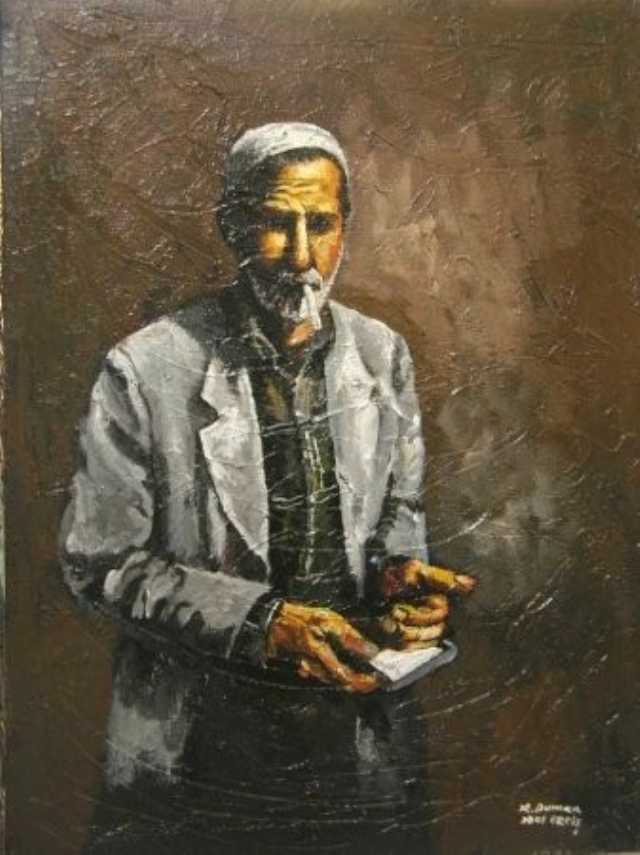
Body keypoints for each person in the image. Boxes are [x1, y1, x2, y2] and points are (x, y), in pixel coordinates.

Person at [59, 122, 475, 854]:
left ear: (345, 227)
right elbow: (100, 561)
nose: (303, 256)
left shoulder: (383, 356)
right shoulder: (143, 370)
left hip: (356, 735)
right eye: (278, 224)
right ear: (231, 227)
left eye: (322, 224)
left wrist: (401, 580)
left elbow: (398, 517)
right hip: (202, 743)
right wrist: (262, 622)